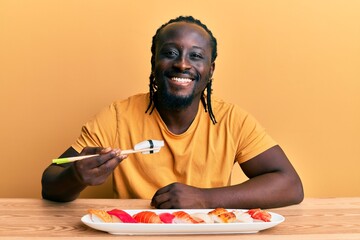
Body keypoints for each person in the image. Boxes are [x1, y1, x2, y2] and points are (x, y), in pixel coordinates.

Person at [41, 16, 304, 209]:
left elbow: (290, 185)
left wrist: (204, 198)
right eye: (170, 53)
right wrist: (76, 175)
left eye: (196, 56)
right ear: (154, 62)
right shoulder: (118, 117)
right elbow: (50, 182)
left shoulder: (232, 120)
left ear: (210, 71)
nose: (181, 63)